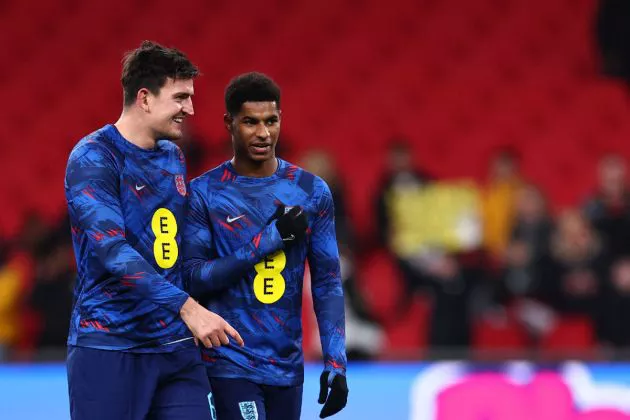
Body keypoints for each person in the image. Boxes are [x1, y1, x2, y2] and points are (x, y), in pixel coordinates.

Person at [64, 40, 242, 420]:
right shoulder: (94, 157)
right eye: (180, 97)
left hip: (173, 343)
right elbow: (112, 251)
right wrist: (188, 307)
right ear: (144, 98)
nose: (190, 109)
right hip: (111, 344)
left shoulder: (172, 156)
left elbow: (175, 247)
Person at [183, 72, 348, 419]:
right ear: (229, 123)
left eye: (271, 121)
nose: (263, 133)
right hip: (228, 362)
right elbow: (193, 277)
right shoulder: (204, 193)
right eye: (250, 122)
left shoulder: (311, 191)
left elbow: (327, 282)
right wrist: (269, 241)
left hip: (287, 366)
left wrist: (336, 360)